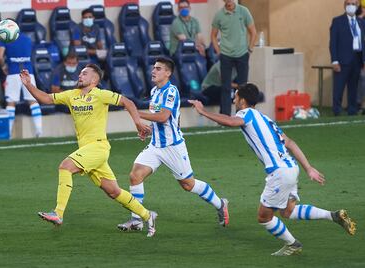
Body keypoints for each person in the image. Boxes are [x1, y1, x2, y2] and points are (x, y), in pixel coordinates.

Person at [188, 83, 356, 256]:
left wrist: (203, 112)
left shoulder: (246, 113)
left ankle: (293, 244)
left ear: (243, 100)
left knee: (263, 217)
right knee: (288, 211)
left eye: (236, 96)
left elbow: (231, 122)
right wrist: (308, 168)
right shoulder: (266, 119)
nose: (234, 99)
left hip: (279, 173)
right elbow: (290, 143)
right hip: (291, 168)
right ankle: (334, 215)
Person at [19, 63, 158, 237]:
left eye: (84, 74)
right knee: (113, 191)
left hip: (98, 147)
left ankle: (58, 213)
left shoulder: (100, 95)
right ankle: (147, 215)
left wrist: (138, 123)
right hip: (88, 151)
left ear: (94, 79)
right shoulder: (71, 95)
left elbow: (127, 102)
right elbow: (46, 99)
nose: (79, 76)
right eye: (80, 73)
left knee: (65, 166)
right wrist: (28, 84)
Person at [117, 57, 229, 232]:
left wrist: (137, 114)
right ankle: (136, 220)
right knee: (135, 176)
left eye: (159, 68)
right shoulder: (154, 91)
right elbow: (158, 121)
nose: (153, 71)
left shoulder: (171, 91)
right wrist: (148, 130)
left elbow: (163, 116)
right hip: (156, 146)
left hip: (172, 147)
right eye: (154, 68)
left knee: (188, 185)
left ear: (168, 73)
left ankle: (220, 204)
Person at [211, 0, 257, 115]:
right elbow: (213, 35)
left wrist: (250, 49)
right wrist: (218, 51)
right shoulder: (219, 15)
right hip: (225, 55)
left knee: (243, 88)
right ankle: (225, 116)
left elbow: (253, 32)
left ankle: (241, 115)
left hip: (242, 54)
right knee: (225, 87)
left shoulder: (243, 11)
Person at [0, 30, 43, 137]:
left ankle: (8, 133)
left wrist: (3, 67)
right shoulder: (27, 38)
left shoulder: (5, 39)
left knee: (11, 103)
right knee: (33, 101)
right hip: (28, 72)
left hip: (13, 72)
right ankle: (39, 131)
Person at [329, 0, 365, 116]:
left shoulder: (361, 22)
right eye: (348, 4)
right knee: (338, 88)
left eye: (353, 4)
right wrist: (334, 61)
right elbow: (333, 43)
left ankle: (352, 110)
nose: (351, 6)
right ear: (344, 5)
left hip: (357, 59)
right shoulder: (337, 21)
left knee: (353, 88)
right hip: (342, 60)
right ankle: (337, 111)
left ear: (358, 6)